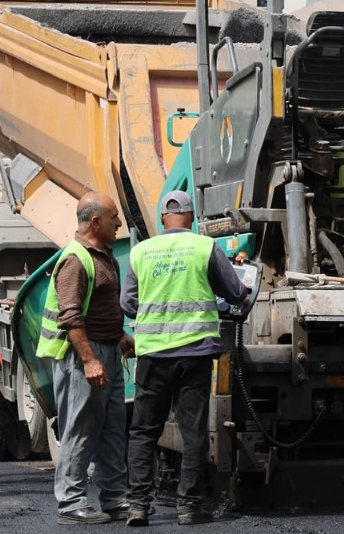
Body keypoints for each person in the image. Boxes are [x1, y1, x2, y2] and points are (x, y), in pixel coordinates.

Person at [122, 190, 249, 526]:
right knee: (193, 432)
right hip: (193, 355)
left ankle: (137, 505)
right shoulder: (205, 247)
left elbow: (128, 305)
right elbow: (235, 293)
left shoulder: (140, 252)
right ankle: (189, 507)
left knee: (143, 431)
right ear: (191, 217)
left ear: (163, 218)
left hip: (152, 355)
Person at [38, 191, 131, 525]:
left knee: (113, 429)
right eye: (113, 217)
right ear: (95, 221)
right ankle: (71, 503)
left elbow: (99, 307)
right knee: (80, 429)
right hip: (81, 356)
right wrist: (90, 359)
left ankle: (115, 499)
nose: (118, 223)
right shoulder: (76, 259)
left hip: (106, 350)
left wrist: (119, 336)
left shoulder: (104, 256)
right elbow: (71, 316)